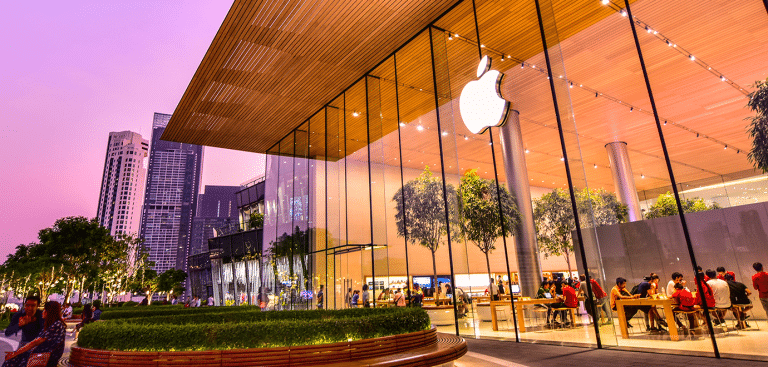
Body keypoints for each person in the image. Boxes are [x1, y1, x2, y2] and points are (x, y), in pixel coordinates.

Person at [2, 301, 66, 367]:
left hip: (45, 357)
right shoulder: (52, 324)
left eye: (44, 310)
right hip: (41, 354)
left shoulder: (56, 325)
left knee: (11, 361)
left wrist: (15, 353)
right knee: (12, 359)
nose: (43, 312)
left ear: (49, 313)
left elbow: (35, 342)